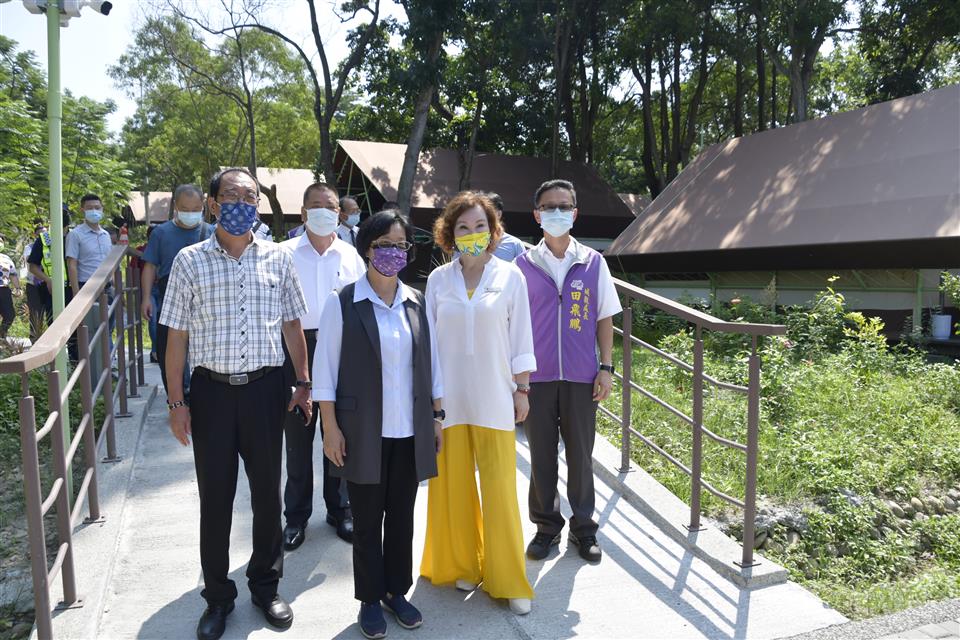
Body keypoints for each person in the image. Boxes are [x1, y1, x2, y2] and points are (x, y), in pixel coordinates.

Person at [160, 167, 311, 640]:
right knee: (216, 499)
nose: (242, 204)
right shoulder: (189, 260)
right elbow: (176, 336)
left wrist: (303, 381)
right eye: (231, 195)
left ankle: (266, 586)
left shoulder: (279, 258)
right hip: (212, 395)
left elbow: (292, 324)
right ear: (213, 204)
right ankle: (218, 597)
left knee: (267, 494)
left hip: (266, 391)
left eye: (250, 196)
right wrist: (176, 402)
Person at [314, 210, 444, 639]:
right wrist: (330, 428)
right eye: (384, 245)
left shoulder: (416, 302)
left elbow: (432, 364)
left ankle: (395, 591)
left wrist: (437, 417)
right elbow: (324, 372)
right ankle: (369, 598)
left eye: (401, 245)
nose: (393, 253)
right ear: (366, 249)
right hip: (362, 431)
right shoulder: (343, 302)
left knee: (402, 517)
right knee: (367, 521)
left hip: (409, 430)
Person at [420, 191, 536, 616]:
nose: (472, 234)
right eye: (463, 227)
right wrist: (433, 404)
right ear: (450, 233)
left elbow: (521, 336)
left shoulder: (511, 276)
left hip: (494, 397)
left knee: (500, 490)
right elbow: (429, 346)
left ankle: (508, 578)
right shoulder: (438, 280)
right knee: (452, 488)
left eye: (480, 226)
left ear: (493, 230)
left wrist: (522, 389)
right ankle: (464, 563)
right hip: (449, 401)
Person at [516, 179, 621, 563]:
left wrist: (606, 367)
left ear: (575, 213)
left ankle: (584, 528)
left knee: (580, 456)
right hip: (537, 378)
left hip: (581, 376)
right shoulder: (522, 265)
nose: (556, 212)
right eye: (549, 206)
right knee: (541, 456)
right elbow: (512, 322)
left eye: (564, 206)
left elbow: (604, 317)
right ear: (537, 214)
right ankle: (546, 528)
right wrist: (516, 379)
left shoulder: (593, 262)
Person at [278, 183, 365, 550]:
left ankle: (339, 509)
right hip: (293, 348)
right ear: (303, 213)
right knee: (298, 437)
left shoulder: (351, 256)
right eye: (316, 206)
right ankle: (296, 516)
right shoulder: (282, 254)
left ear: (339, 214)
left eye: (330, 207)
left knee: (338, 432)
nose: (324, 212)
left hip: (340, 350)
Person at [142, 185, 214, 396]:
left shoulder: (211, 232)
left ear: (203, 206)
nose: (191, 213)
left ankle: (199, 395)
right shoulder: (161, 233)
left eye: (196, 209)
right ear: (175, 206)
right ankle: (177, 397)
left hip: (205, 299)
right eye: (185, 209)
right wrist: (146, 298)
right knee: (169, 350)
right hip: (169, 298)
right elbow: (150, 266)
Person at [26, 211, 70, 340]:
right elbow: (33, 266)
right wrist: (48, 280)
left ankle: (75, 353)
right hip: (52, 290)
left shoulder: (75, 236)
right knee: (55, 326)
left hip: (75, 287)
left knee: (76, 330)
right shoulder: (44, 239)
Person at [65, 194, 113, 298]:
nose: (94, 211)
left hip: (107, 287)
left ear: (102, 209)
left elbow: (110, 263)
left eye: (97, 207)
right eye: (90, 208)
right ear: (82, 210)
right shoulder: (75, 234)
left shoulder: (106, 235)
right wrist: (76, 293)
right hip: (86, 287)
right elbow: (71, 265)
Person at [484, 192, 526, 262]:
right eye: (482, 212)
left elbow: (524, 268)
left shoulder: (515, 244)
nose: (484, 216)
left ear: (499, 214)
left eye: (489, 212)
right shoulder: (473, 244)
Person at [0, 236, 20, 339]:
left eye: (1, 241)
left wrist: (18, 288)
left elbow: (13, 274)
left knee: (9, 315)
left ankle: (2, 335)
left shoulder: (6, 258)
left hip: (4, 290)